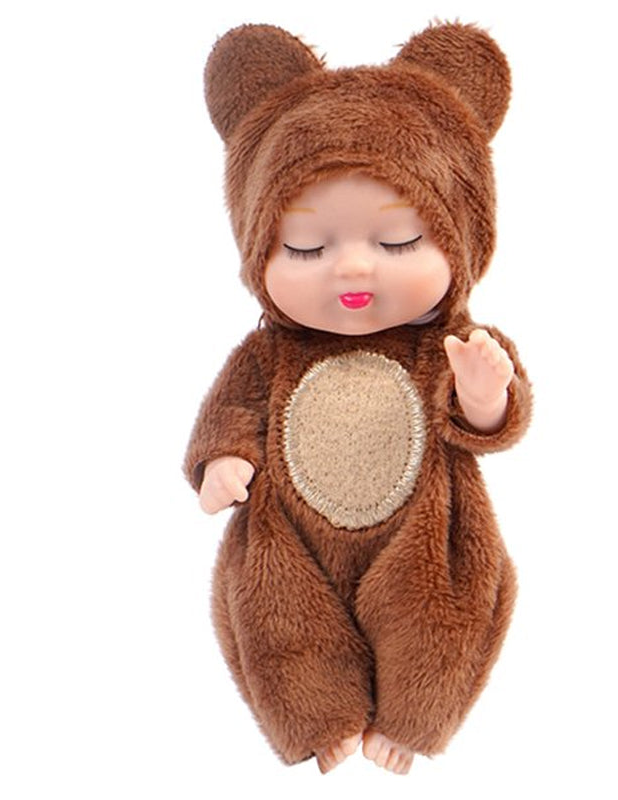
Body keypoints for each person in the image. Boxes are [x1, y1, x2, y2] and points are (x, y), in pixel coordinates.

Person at [183, 22, 532, 775]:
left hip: (421, 529)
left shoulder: (449, 344)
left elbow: (493, 425)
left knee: (446, 607)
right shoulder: (270, 354)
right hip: (291, 531)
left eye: (398, 241)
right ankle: (318, 719)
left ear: (460, 239)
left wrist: (484, 395)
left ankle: (412, 720)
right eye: (305, 248)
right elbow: (231, 412)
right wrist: (220, 462)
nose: (352, 268)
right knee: (270, 606)